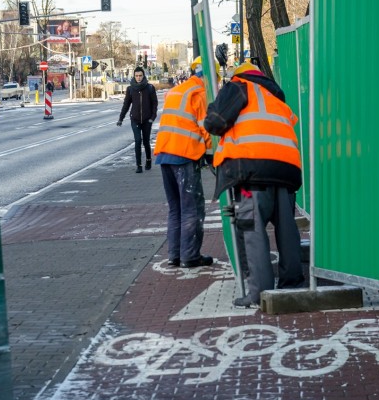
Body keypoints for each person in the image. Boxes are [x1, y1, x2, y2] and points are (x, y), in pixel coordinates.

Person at [204, 59, 305, 307]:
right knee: (286, 228)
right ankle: (292, 282)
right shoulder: (276, 98)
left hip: (252, 171)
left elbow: (215, 122)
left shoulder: (239, 86)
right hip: (286, 169)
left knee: (252, 228)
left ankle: (258, 291)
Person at [153, 57, 214, 268]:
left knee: (175, 208)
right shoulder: (200, 92)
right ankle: (190, 256)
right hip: (184, 155)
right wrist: (212, 153)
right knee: (192, 208)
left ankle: (175, 255)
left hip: (164, 153)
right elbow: (205, 127)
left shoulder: (178, 90)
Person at [117, 67, 158, 173]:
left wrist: (152, 117)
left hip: (147, 119)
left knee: (146, 141)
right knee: (138, 141)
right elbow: (126, 104)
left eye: (140, 76)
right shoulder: (130, 89)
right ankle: (139, 165)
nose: (138, 78)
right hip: (135, 119)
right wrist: (121, 118)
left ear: (143, 76)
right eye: (136, 76)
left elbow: (154, 104)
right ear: (134, 76)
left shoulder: (149, 88)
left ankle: (148, 160)